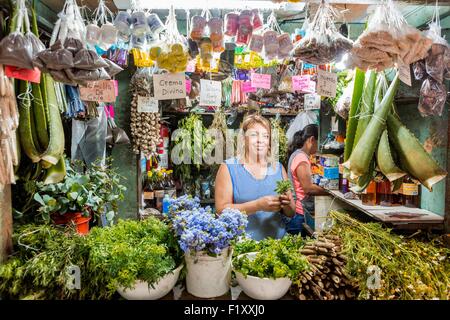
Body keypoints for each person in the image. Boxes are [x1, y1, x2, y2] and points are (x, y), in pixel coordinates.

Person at [215, 114, 295, 240]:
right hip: (243, 247)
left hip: (277, 246)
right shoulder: (228, 168)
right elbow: (221, 211)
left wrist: (287, 204)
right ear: (243, 139)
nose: (260, 140)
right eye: (254, 135)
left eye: (265, 136)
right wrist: (258, 205)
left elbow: (291, 213)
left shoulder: (278, 168)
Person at [285, 124, 327, 236]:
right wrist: (330, 192)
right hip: (299, 214)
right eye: (319, 142)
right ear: (312, 139)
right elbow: (308, 188)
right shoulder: (301, 158)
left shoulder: (298, 155)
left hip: (299, 213)